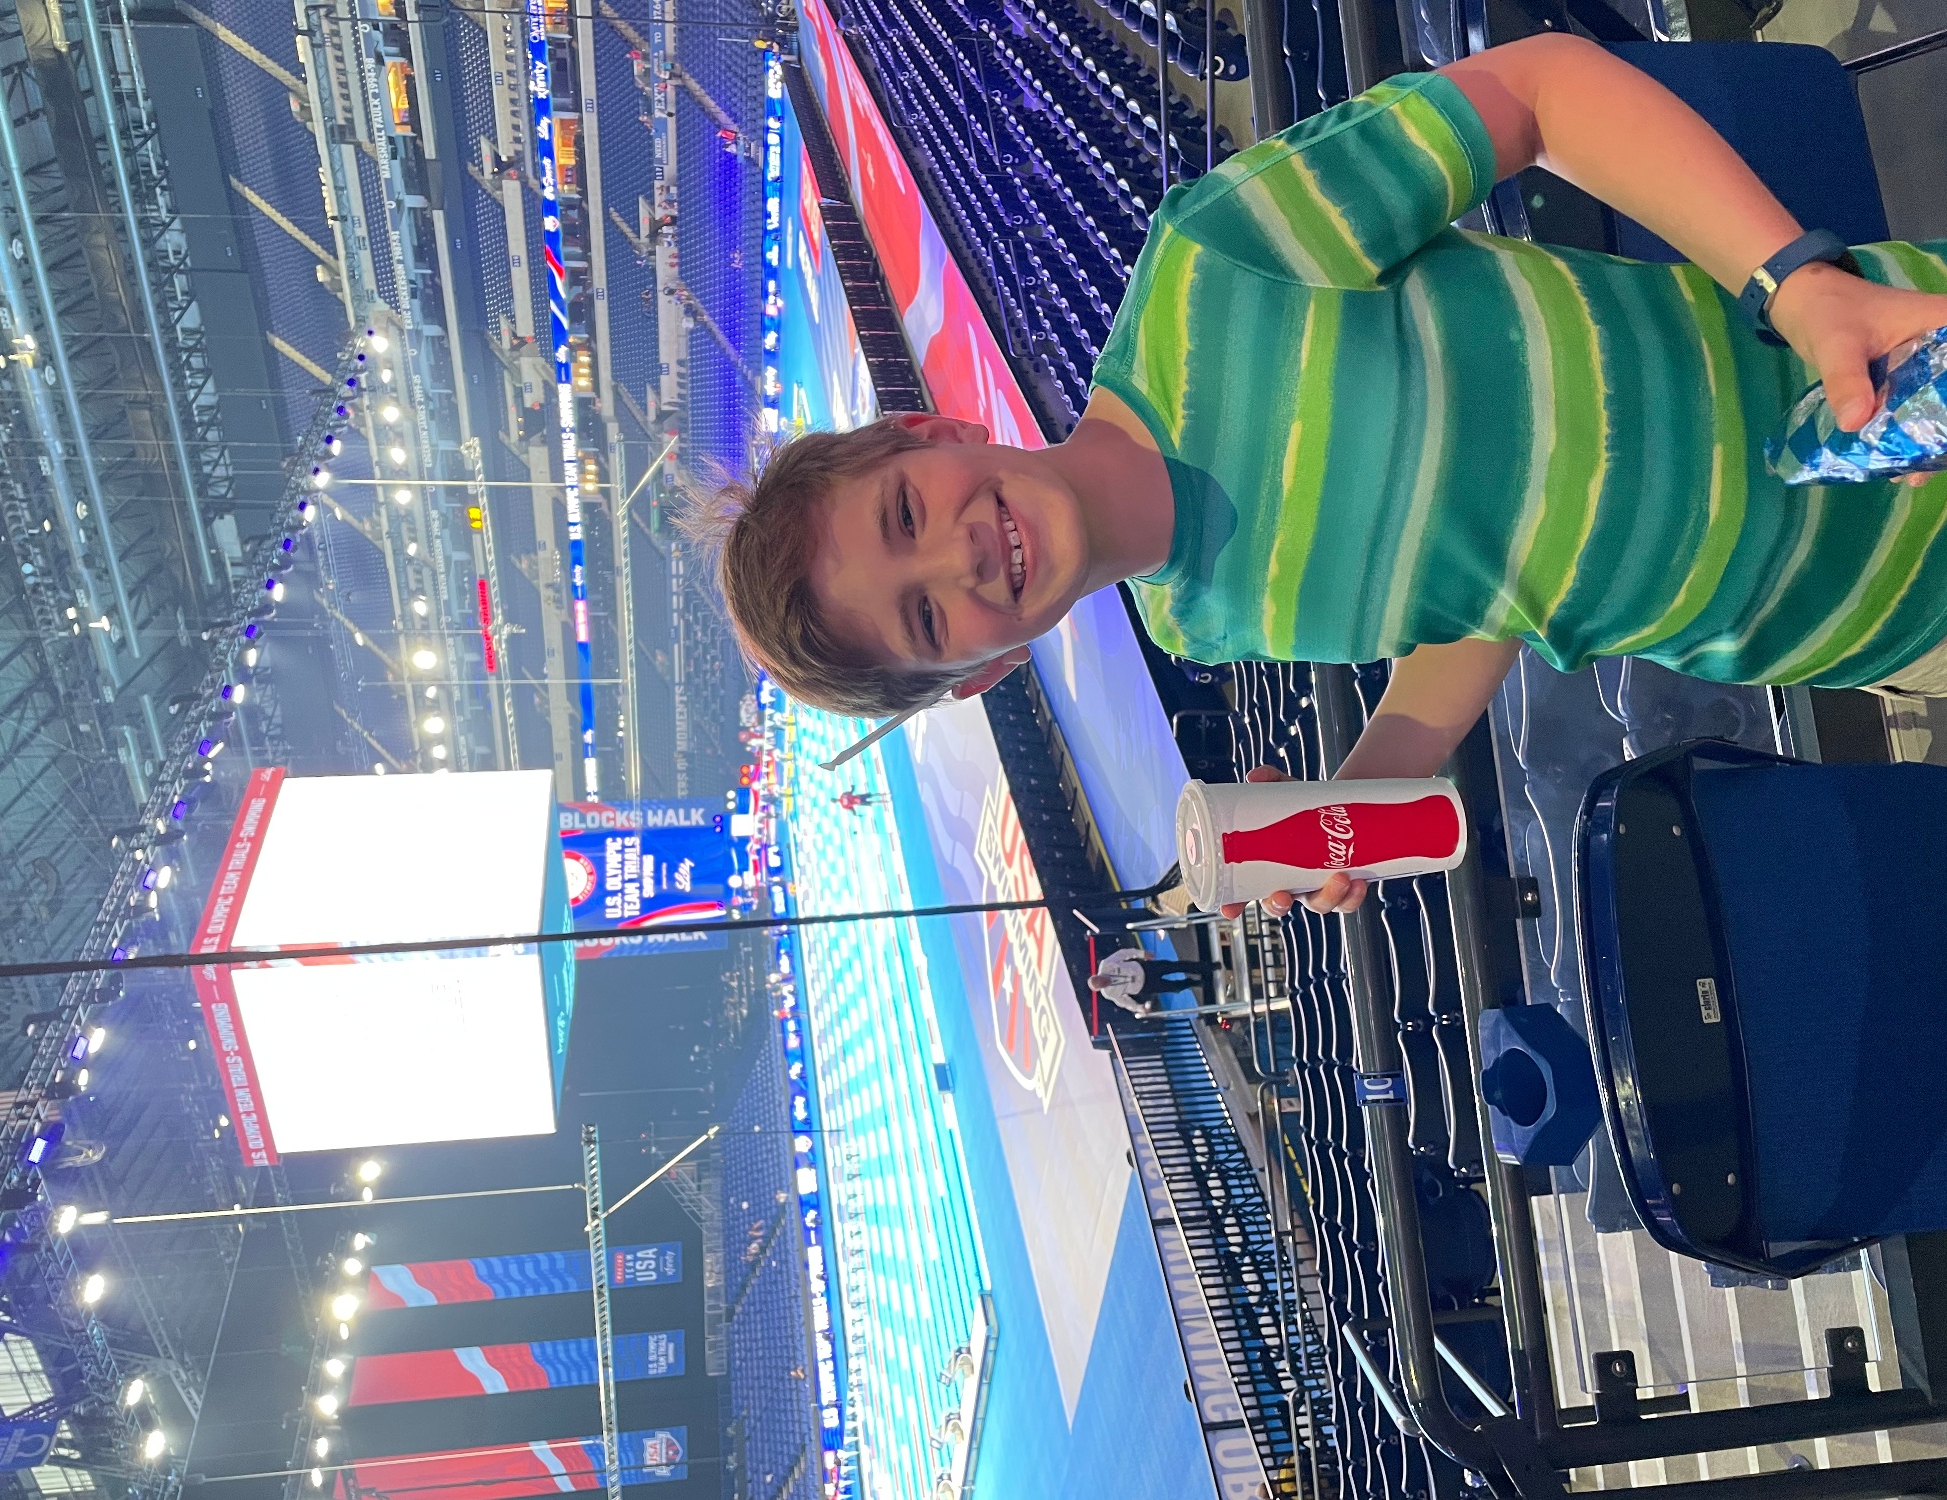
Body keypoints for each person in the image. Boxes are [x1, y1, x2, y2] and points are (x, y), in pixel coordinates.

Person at [691, 35, 1947, 922]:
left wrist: (1794, 282)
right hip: (1879, 630)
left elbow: (1539, 92)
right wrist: (1372, 780)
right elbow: (1479, 592)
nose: (956, 555)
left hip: (1898, 377)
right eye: (925, 617)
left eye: (903, 513)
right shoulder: (1201, 623)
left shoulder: (1209, 270)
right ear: (980, 672)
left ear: (929, 429)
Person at [1087, 946, 1213, 1015]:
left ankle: (1205, 967)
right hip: (1145, 986)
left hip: (1146, 969)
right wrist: (1139, 1008)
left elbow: (1123, 954)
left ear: (1099, 975)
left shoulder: (1106, 964)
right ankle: (1193, 983)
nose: (1107, 983)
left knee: (1176, 966)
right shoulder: (1108, 993)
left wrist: (1141, 954)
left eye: (1105, 980)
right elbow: (1124, 1002)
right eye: (1104, 985)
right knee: (1174, 988)